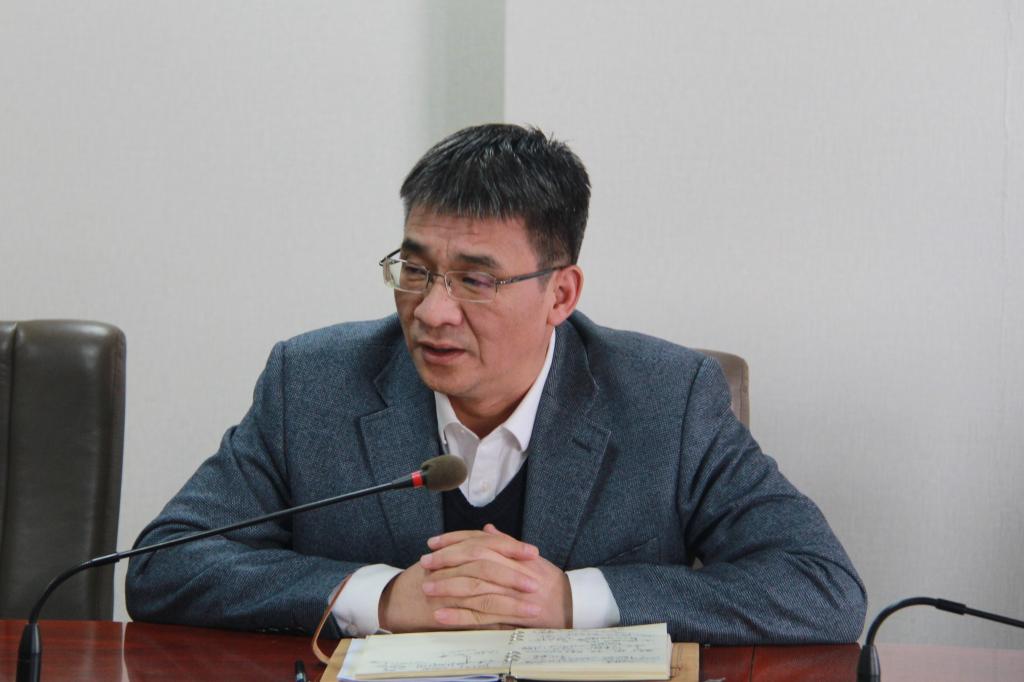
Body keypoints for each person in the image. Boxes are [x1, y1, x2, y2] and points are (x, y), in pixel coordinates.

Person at [126, 124, 866, 644]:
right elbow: (165, 564)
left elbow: (820, 587)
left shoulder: (667, 397)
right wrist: (381, 596)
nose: (432, 311)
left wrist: (573, 598)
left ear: (560, 294)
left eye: (475, 280)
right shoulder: (314, 382)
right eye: (415, 270)